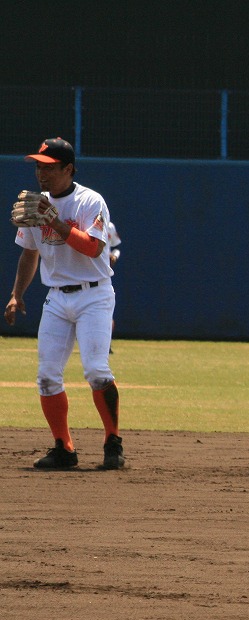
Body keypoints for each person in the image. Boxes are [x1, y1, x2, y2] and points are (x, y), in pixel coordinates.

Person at [6, 137, 124, 471]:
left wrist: (55, 222)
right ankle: (63, 448)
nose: (40, 173)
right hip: (56, 297)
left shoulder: (89, 200)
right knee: (46, 377)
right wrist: (17, 294)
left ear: (68, 169)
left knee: (97, 371)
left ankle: (113, 441)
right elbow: (29, 254)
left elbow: (94, 249)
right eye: (38, 166)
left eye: (49, 167)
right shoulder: (36, 205)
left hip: (94, 295)